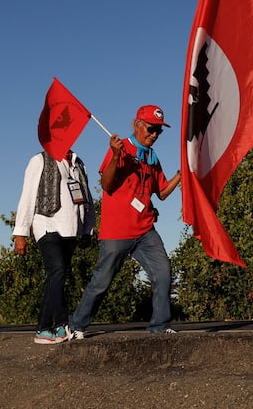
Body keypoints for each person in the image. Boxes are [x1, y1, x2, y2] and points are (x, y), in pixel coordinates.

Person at [69, 105, 182, 338]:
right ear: (138, 125)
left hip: (145, 229)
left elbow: (161, 192)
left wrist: (181, 175)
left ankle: (159, 326)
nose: (154, 135)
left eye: (159, 131)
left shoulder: (152, 157)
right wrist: (117, 156)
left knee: (162, 272)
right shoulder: (121, 148)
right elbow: (107, 186)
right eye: (151, 129)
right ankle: (76, 325)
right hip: (117, 230)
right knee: (102, 281)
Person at [13, 148, 94, 344]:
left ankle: (42, 329)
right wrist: (20, 232)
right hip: (46, 224)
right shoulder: (40, 160)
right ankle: (60, 324)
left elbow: (87, 198)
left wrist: (87, 229)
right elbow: (28, 195)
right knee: (57, 270)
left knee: (57, 277)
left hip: (71, 228)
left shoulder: (78, 163)